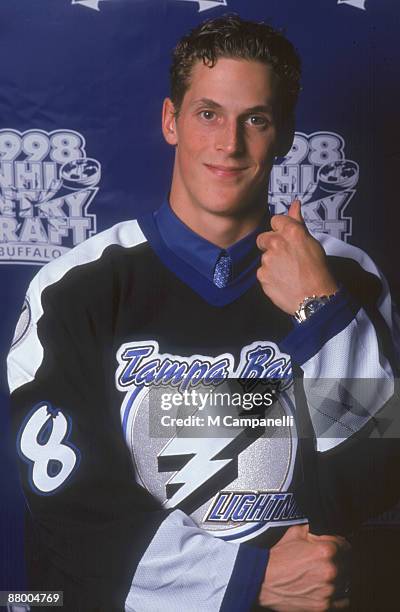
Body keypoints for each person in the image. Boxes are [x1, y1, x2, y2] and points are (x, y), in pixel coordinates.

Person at [7, 14, 400, 612]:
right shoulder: (74, 286)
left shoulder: (346, 277)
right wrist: (249, 579)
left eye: (256, 120)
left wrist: (322, 315)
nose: (229, 144)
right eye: (208, 114)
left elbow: (376, 476)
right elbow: (68, 505)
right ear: (172, 120)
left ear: (286, 135)